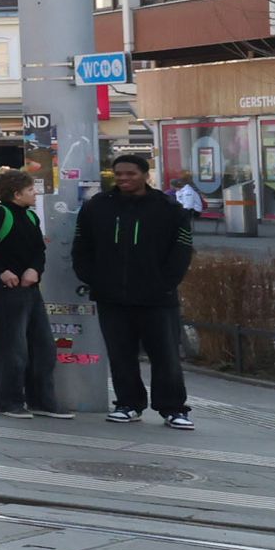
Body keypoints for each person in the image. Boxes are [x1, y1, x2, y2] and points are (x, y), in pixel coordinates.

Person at [75, 148, 198, 428]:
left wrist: (166, 283)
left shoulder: (168, 208)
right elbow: (82, 245)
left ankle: (174, 408)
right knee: (121, 354)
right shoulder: (98, 206)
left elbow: (182, 249)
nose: (124, 179)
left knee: (165, 355)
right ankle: (128, 404)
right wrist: (93, 278)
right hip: (111, 296)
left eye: (131, 174)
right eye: (119, 174)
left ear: (145, 175)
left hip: (157, 297)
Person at [0, 166, 62, 415]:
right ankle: (8, 401)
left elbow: (39, 250)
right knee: (11, 347)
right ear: (16, 194)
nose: (35, 194)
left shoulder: (30, 217)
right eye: (30, 190)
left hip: (30, 289)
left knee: (43, 347)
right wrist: (0, 271)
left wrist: (34, 270)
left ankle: (41, 401)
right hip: (6, 290)